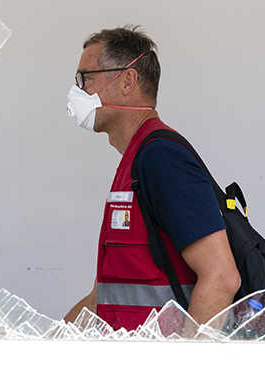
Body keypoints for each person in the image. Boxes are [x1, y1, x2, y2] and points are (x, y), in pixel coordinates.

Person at [64, 25, 240, 332]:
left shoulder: (161, 158)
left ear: (127, 80)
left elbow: (222, 277)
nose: (78, 92)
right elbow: (100, 298)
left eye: (85, 79)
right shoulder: (135, 162)